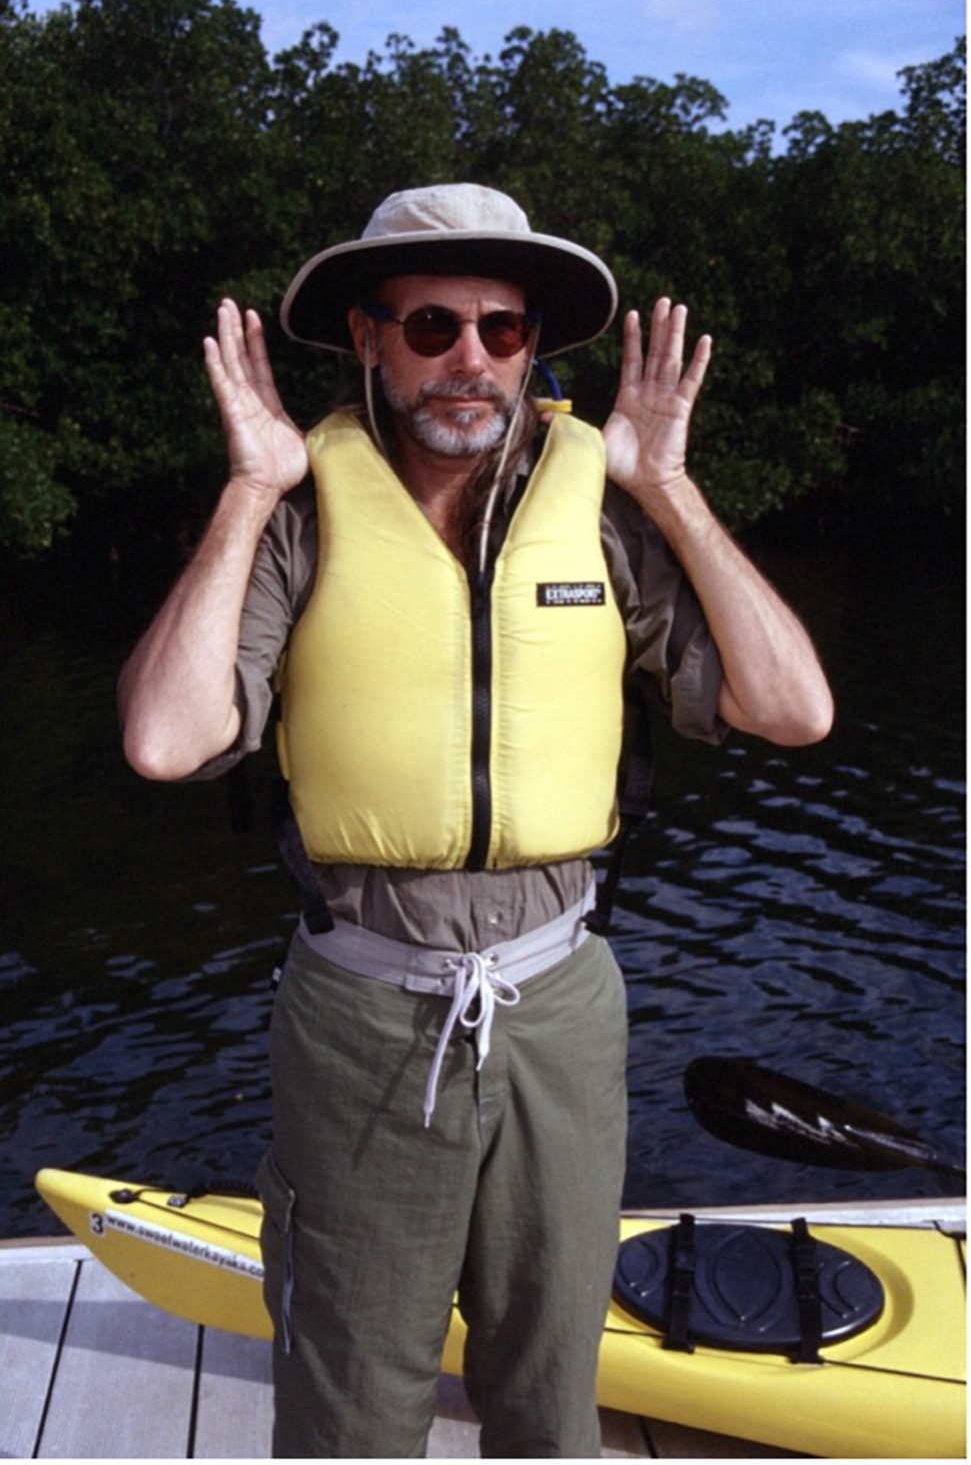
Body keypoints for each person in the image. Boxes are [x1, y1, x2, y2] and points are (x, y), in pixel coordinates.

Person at [118, 183, 833, 1458]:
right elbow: (167, 740)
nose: (469, 359)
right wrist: (244, 486)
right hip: (359, 1006)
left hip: (560, 1000)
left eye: (502, 331)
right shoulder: (296, 514)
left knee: (552, 1386)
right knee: (351, 1398)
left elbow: (792, 709)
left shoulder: (600, 508)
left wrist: (665, 483)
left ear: (531, 349)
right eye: (432, 324)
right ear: (367, 338)